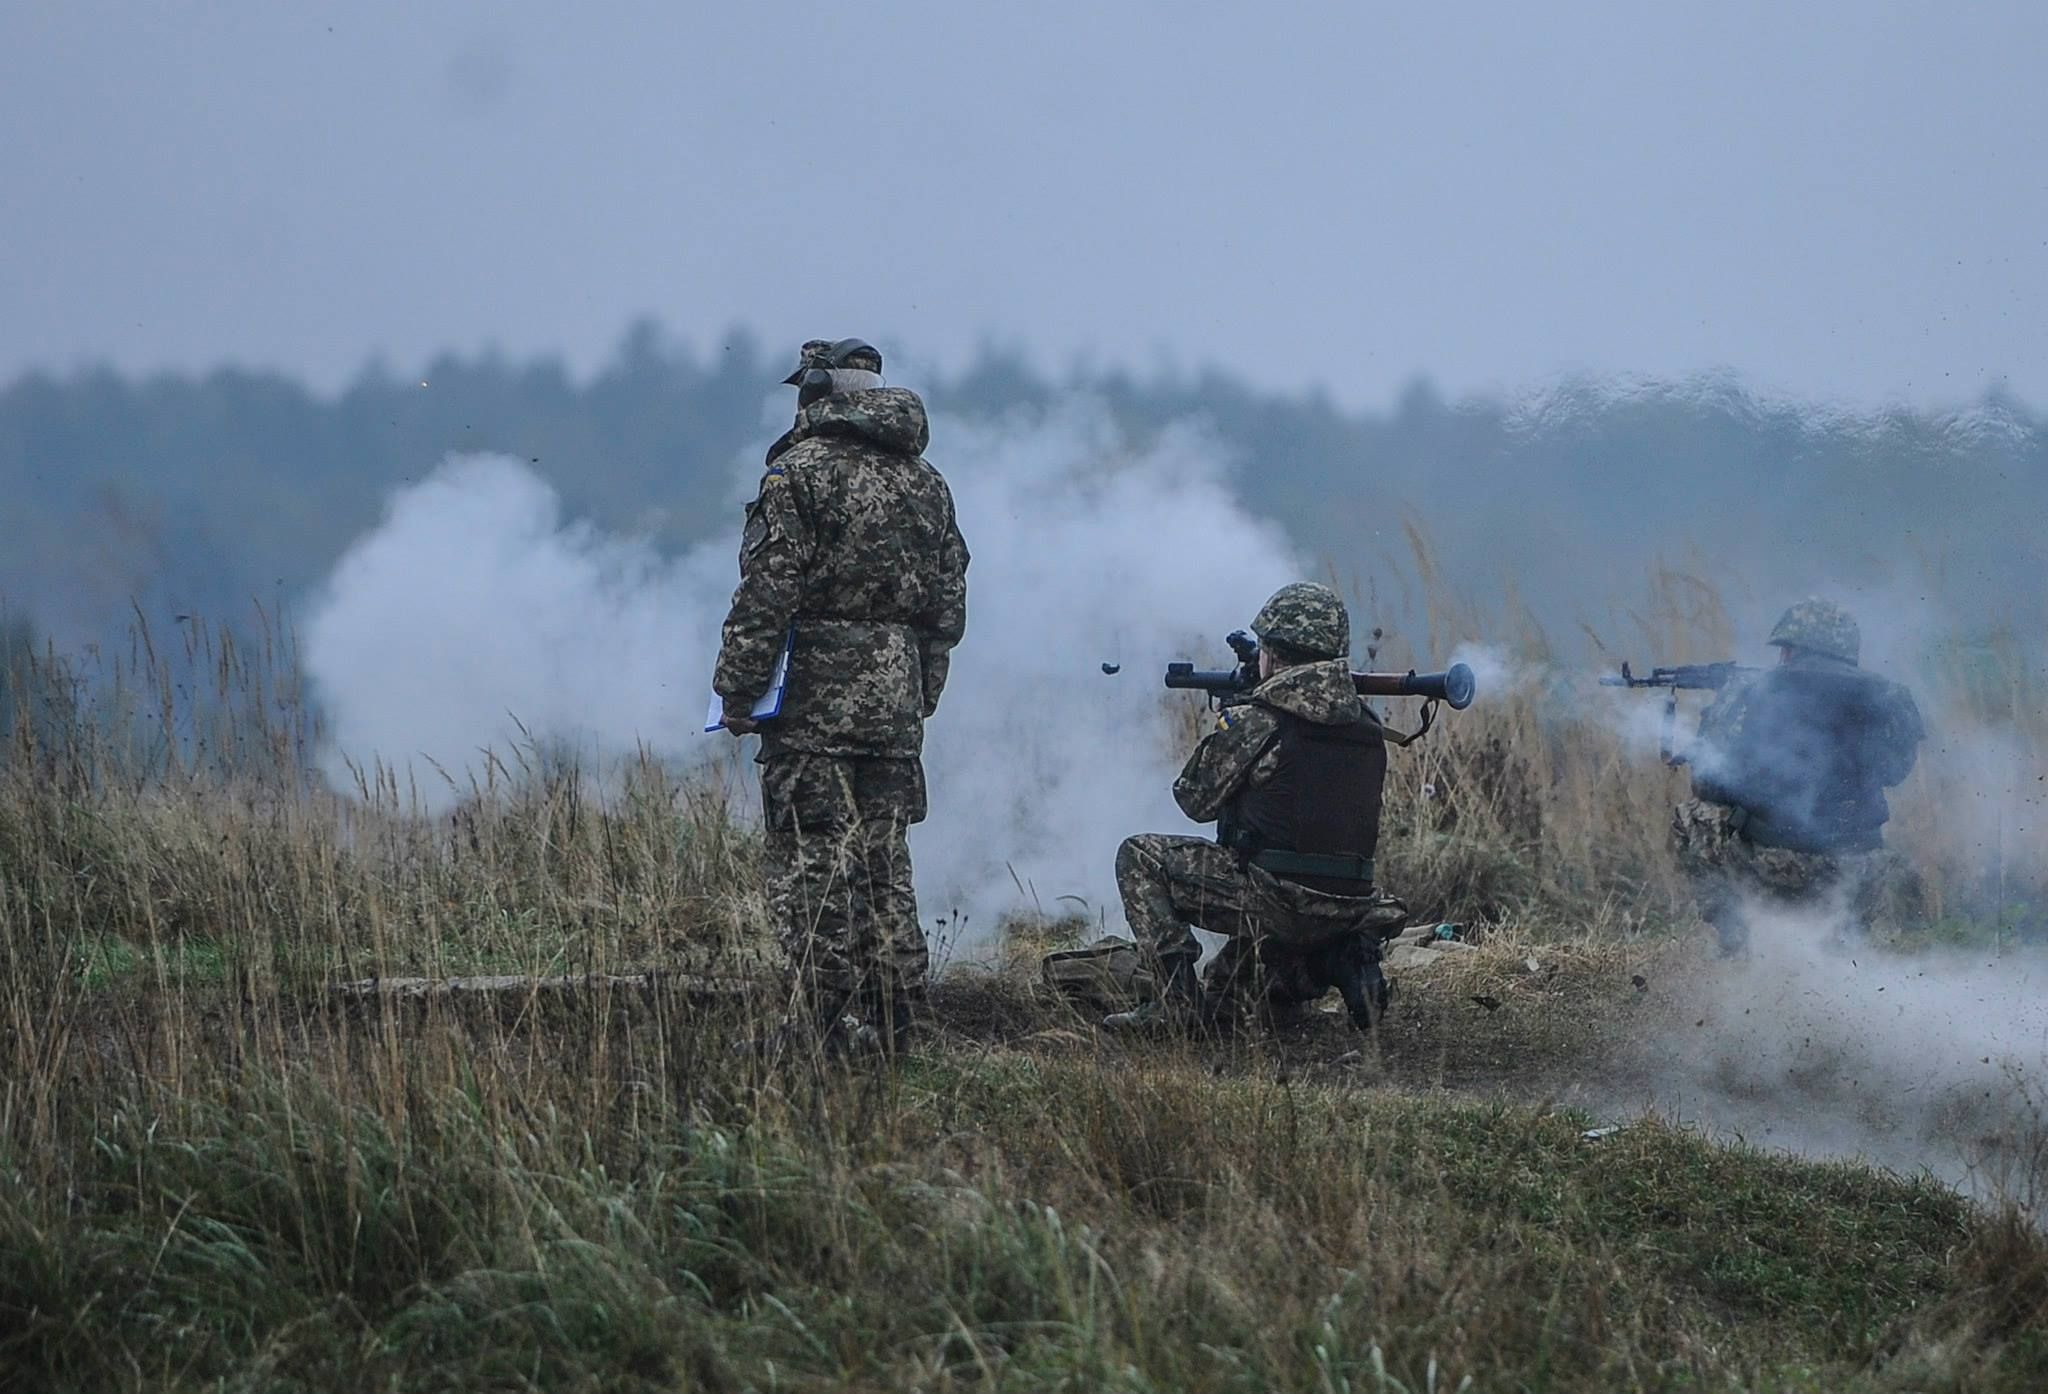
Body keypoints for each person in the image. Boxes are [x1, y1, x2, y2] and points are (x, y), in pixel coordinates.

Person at [713, 338, 969, 1051]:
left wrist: (737, 689)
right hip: (895, 703)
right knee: (886, 866)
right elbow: (948, 604)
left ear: (818, 391)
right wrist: (921, 690)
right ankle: (899, 1024)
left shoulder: (798, 474)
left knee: (811, 865)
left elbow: (768, 591)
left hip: (811, 704)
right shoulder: (928, 482)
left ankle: (822, 1029)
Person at [1106, 582, 1406, 1033]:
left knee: (1140, 856)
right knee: (1228, 993)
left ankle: (1175, 1007)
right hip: (1349, 905)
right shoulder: (1366, 724)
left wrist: (1230, 724)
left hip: (1279, 900)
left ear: (1274, 655)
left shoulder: (1259, 720)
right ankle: (1338, 960)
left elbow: (1194, 800)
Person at [1672, 598, 1924, 956]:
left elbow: (1711, 781)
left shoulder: (1755, 689)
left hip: (1776, 864)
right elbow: (1895, 773)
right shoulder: (1887, 694)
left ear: (1792, 649)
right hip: (1859, 868)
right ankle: (1847, 939)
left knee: (1694, 815)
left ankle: (1735, 940)